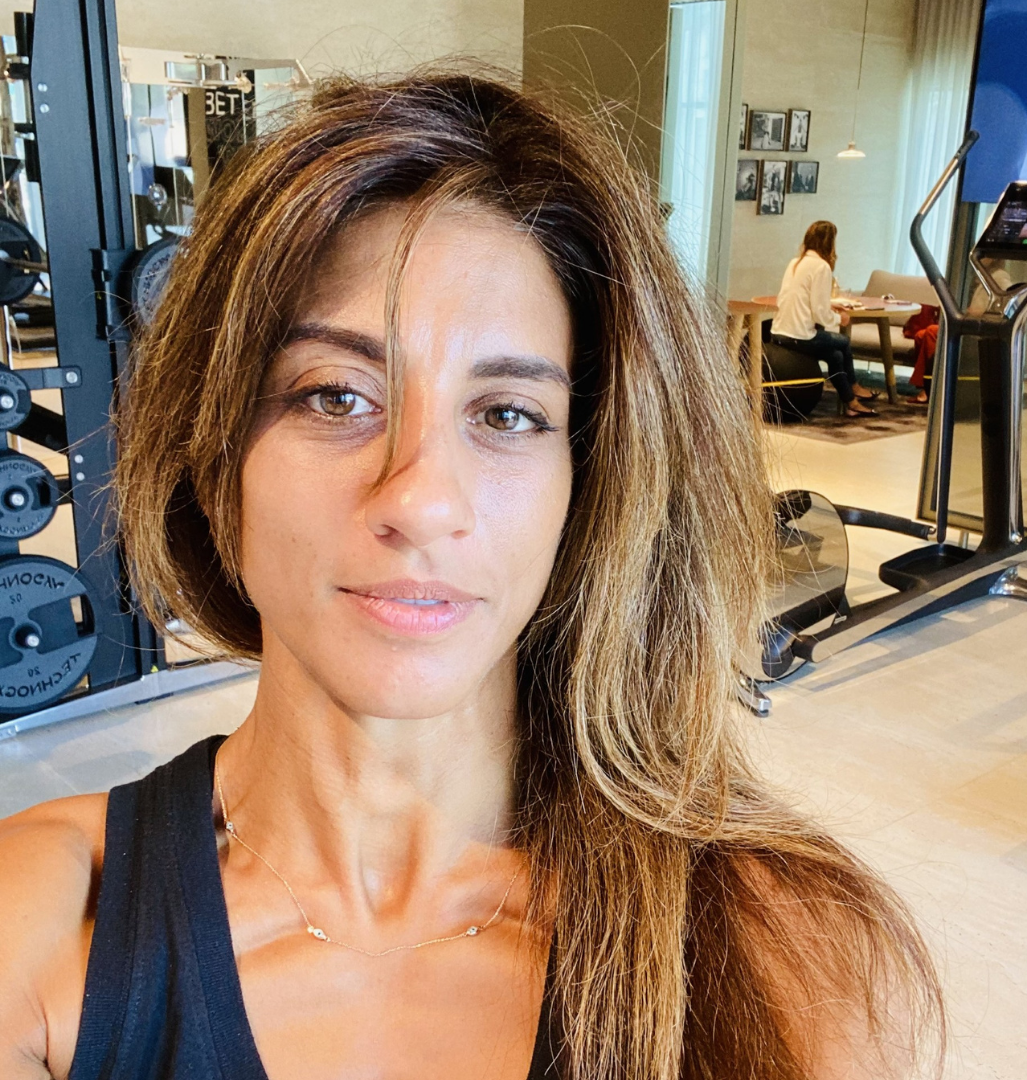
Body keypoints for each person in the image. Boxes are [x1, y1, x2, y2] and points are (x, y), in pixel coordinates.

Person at [0, 73, 943, 1079]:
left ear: (593, 488)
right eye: (335, 396)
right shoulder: (46, 920)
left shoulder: (782, 949)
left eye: (507, 415)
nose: (421, 499)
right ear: (214, 450)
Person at [771, 221, 879, 418]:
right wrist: (840, 318)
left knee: (835, 356)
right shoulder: (821, 267)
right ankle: (854, 386)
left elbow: (800, 299)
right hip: (800, 335)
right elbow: (819, 313)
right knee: (843, 342)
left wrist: (828, 306)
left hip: (780, 331)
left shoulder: (795, 263)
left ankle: (851, 404)